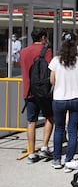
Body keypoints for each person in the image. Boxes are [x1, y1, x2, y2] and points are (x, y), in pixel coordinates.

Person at [49, 32, 78, 171]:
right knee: (72, 130)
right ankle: (69, 160)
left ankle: (56, 159)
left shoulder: (56, 60)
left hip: (60, 97)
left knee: (59, 129)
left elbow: (52, 80)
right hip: (77, 96)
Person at [20, 28, 54, 163]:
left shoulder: (24, 52)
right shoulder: (47, 51)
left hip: (28, 90)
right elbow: (51, 68)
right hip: (42, 90)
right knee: (50, 117)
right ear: (43, 37)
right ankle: (45, 146)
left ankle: (31, 152)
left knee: (31, 121)